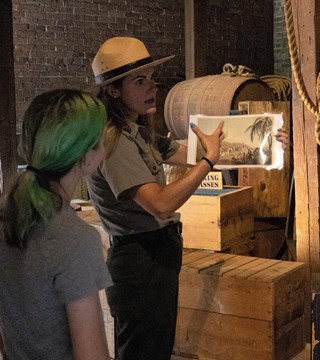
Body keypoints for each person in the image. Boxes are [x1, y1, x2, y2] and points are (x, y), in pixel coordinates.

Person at [85, 37, 225, 360]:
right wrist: (209, 162)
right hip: (140, 263)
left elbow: (187, 152)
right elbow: (160, 203)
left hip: (153, 258)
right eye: (139, 81)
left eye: (151, 78)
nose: (152, 87)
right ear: (113, 91)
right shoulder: (115, 141)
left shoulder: (138, 131)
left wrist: (259, 139)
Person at [0, 89, 111, 359]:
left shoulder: (7, 219)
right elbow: (91, 355)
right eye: (100, 138)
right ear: (85, 156)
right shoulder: (76, 240)